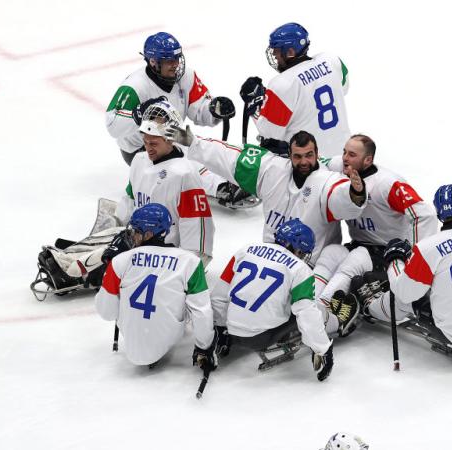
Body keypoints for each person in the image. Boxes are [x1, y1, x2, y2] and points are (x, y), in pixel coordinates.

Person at [169, 126, 366, 335]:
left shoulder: (328, 182)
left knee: (331, 263)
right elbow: (230, 157)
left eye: (309, 155)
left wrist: (355, 193)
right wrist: (194, 142)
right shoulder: (271, 170)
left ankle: (330, 314)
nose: (304, 162)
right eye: (298, 156)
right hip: (272, 262)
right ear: (289, 156)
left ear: (317, 154)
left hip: (306, 266)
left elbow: (343, 198)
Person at [105, 31, 254, 208]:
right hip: (141, 146)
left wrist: (214, 110)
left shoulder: (187, 76)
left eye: (177, 58)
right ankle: (221, 187)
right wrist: (137, 114)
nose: (176, 65)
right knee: (184, 161)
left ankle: (231, 176)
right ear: (153, 62)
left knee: (200, 145)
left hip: (172, 134)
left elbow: (199, 109)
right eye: (169, 60)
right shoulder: (135, 86)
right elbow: (112, 123)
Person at [316, 135, 438, 336]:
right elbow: (317, 162)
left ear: (368, 160)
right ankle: (308, 303)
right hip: (359, 245)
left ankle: (322, 311)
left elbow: (425, 215)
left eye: (352, 154)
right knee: (331, 252)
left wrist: (416, 261)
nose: (345, 158)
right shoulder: (341, 166)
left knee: (353, 261)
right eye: (345, 151)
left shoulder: (388, 184)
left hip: (387, 254)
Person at [367, 184, 452, 349]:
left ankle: (369, 307)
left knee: (403, 296)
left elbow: (404, 293)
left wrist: (395, 260)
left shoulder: (429, 248)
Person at [95, 203, 217, 373]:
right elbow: (201, 312)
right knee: (194, 299)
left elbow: (106, 312)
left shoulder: (120, 261)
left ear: (149, 234)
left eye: (136, 231)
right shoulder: (190, 262)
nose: (132, 236)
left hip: (131, 344)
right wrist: (204, 347)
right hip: (171, 337)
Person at [210, 219, 334, 381]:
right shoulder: (300, 269)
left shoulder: (245, 250)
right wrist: (323, 349)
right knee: (311, 307)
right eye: (302, 252)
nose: (302, 256)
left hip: (230, 330)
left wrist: (219, 329)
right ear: (296, 247)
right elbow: (306, 314)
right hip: (260, 338)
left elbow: (218, 296)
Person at [115, 100, 215, 265]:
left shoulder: (185, 174)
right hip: (137, 247)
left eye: (154, 143)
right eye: (145, 142)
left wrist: (190, 267)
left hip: (168, 258)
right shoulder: (139, 161)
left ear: (170, 139)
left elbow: (197, 226)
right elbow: (129, 202)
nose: (148, 149)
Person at [240, 23, 351, 157]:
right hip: (345, 156)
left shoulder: (282, 84)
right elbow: (343, 89)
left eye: (277, 50)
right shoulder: (333, 60)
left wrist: (256, 104)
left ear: (291, 52)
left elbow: (269, 133)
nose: (274, 54)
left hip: (311, 165)